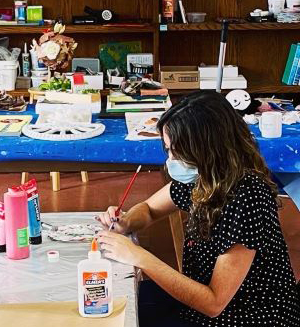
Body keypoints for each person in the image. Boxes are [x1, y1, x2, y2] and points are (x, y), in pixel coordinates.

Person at [96, 91, 300, 327]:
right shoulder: (202, 178)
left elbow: (214, 303)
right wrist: (127, 221)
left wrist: (140, 257)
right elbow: (150, 209)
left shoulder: (247, 196)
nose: (171, 160)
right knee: (116, 303)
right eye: (168, 149)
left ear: (207, 150)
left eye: (177, 151)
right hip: (200, 305)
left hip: (245, 318)